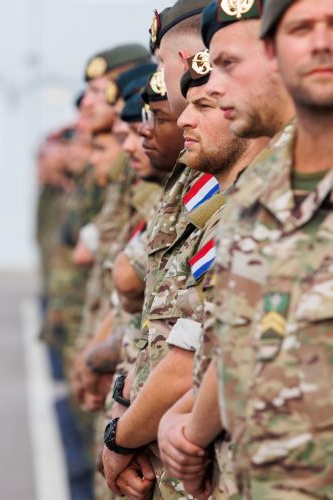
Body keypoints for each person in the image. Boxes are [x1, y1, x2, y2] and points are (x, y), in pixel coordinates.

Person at [159, 0, 333, 498]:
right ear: (277, 53)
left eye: (229, 65)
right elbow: (232, 346)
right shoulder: (255, 193)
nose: (212, 86)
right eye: (302, 29)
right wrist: (185, 428)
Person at [102, 48, 268, 499]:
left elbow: (195, 356)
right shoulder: (217, 197)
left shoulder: (253, 207)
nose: (183, 120)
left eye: (206, 106)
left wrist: (127, 435)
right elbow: (198, 338)